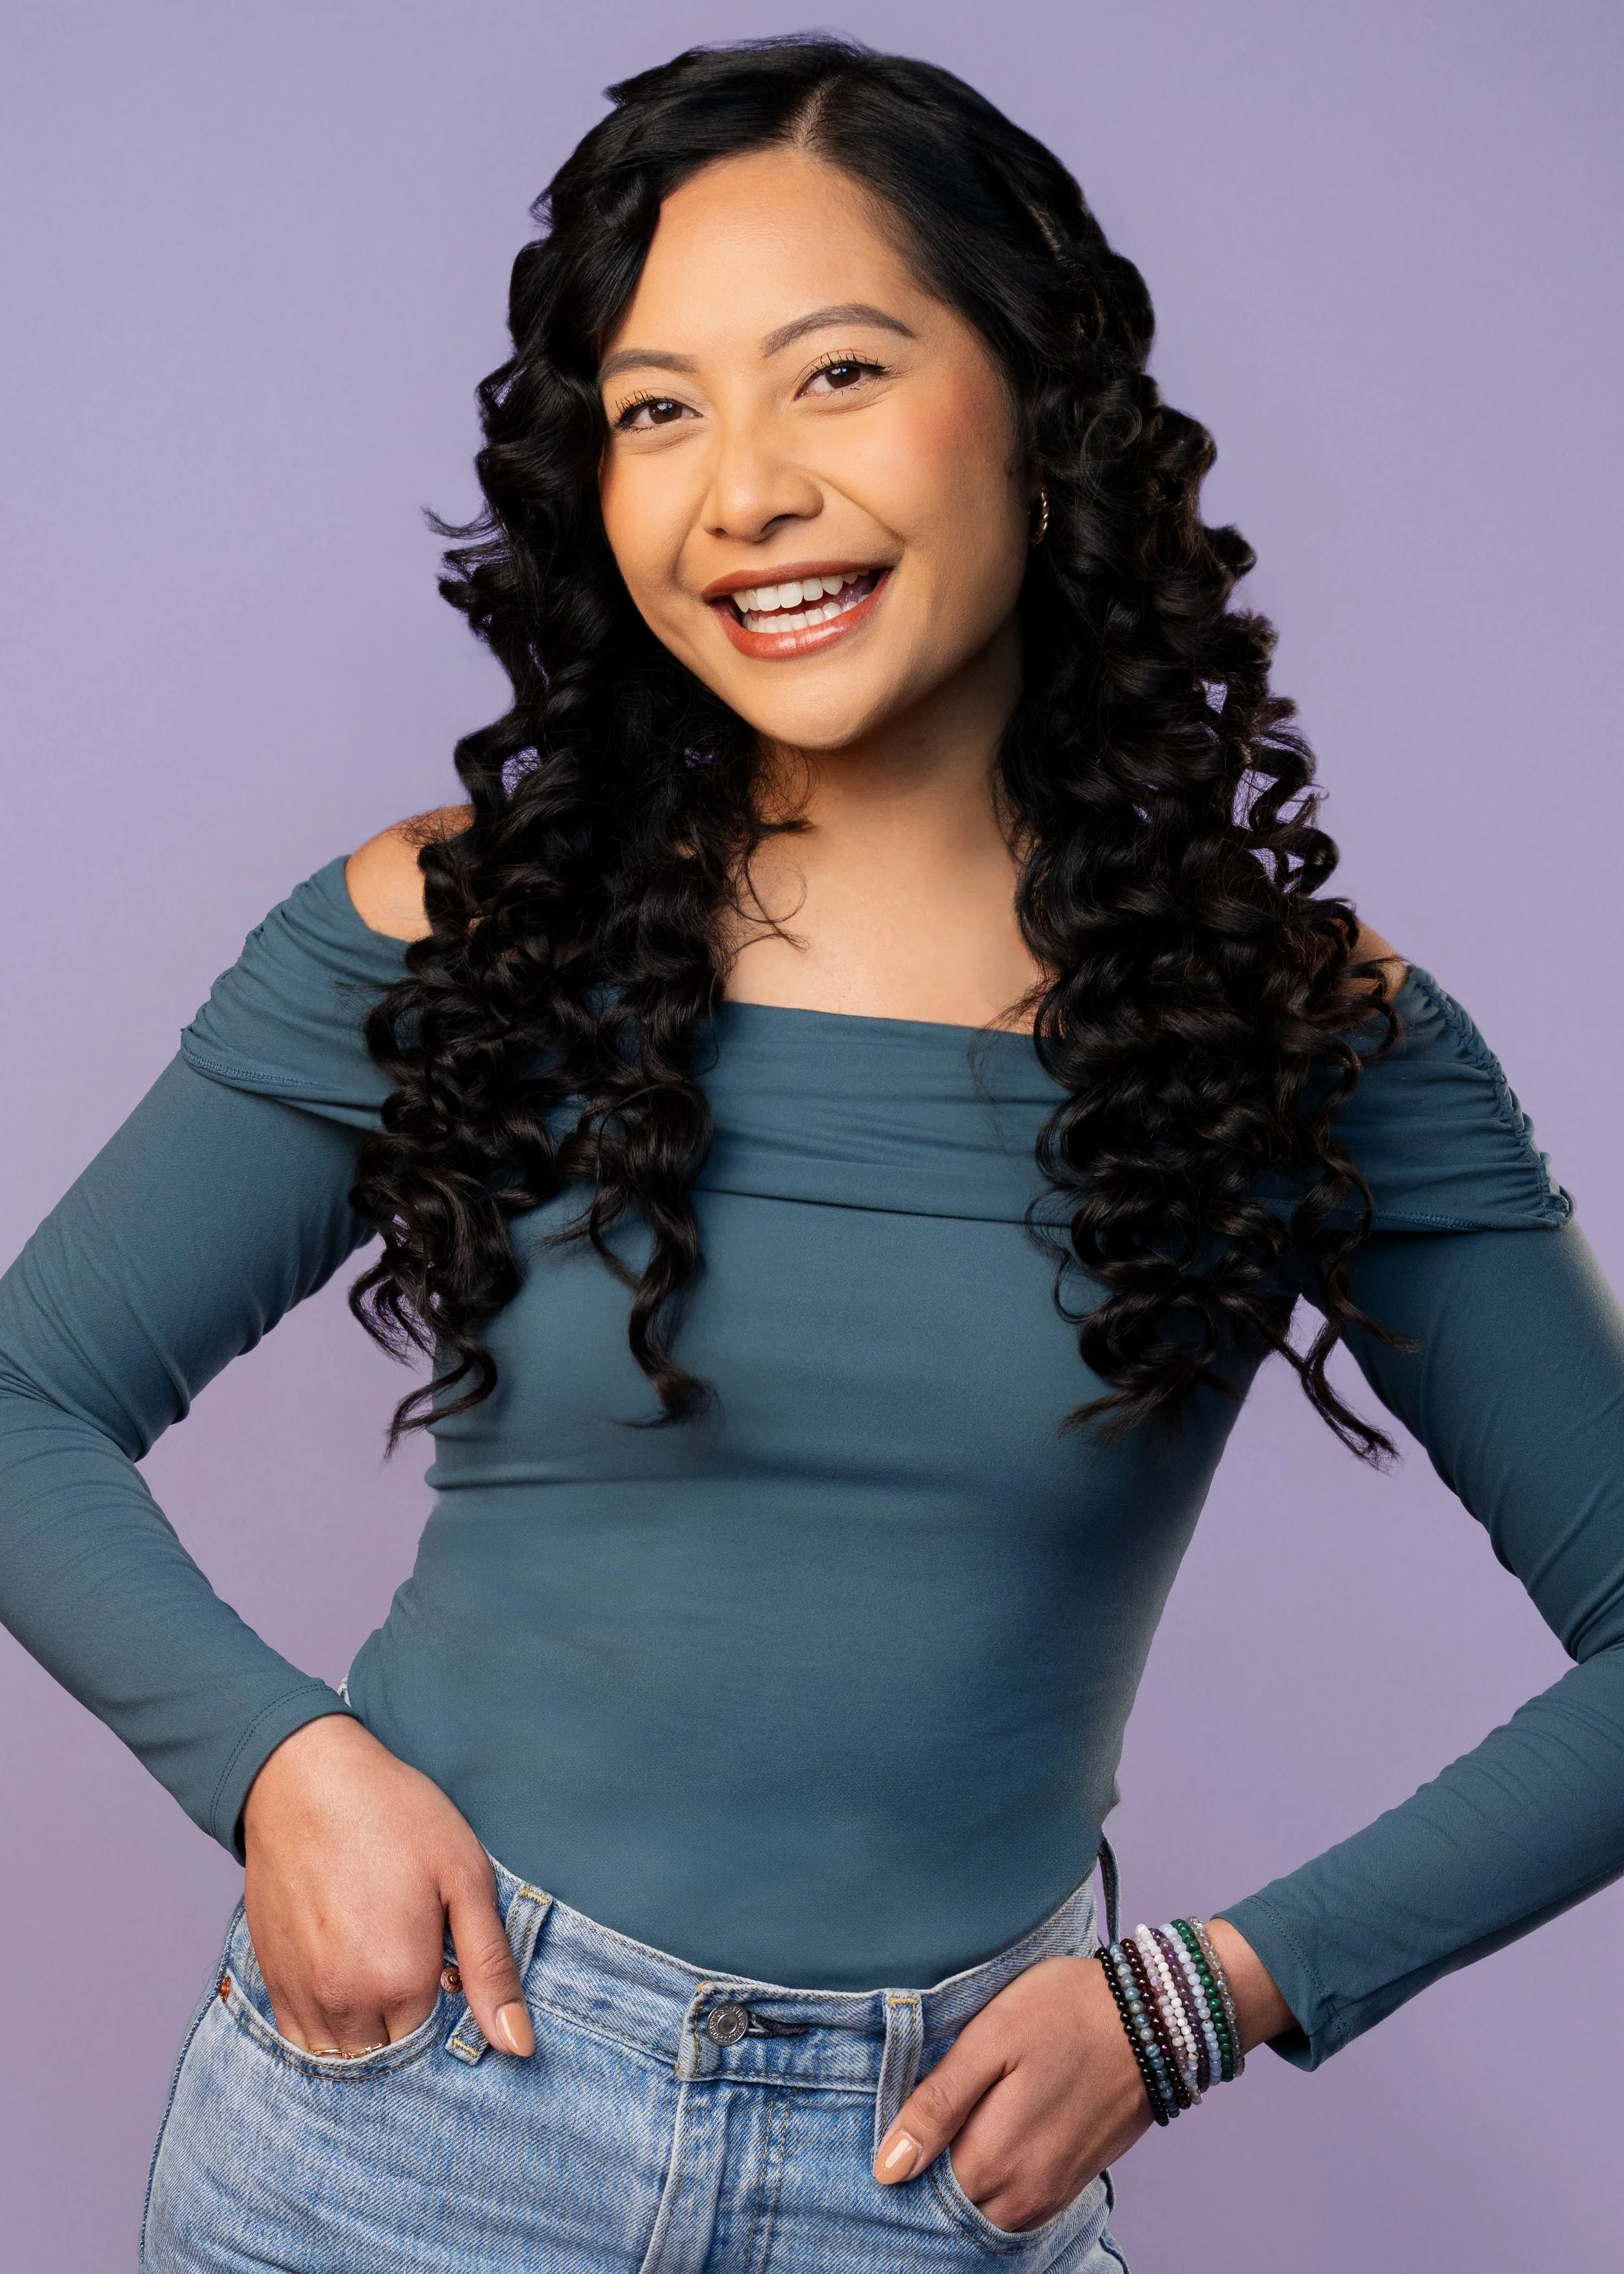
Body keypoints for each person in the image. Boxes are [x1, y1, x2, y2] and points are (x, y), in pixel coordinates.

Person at [3, 34, 1621, 2273]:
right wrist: (283, 1764)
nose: (738, 486)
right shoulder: (447, 932)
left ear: (1039, 405)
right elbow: (20, 1397)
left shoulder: (1306, 1037)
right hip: (408, 2133)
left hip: (940, 2182)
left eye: (834, 372)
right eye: (656, 409)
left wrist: (1205, 1998)